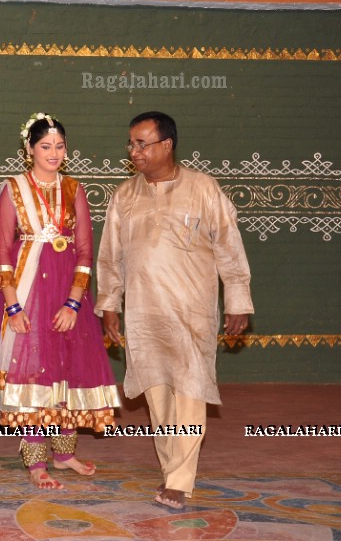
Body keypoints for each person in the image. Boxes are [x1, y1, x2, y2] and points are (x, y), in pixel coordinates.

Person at [97, 111, 253, 510]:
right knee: (158, 398)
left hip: (190, 314)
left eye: (141, 143)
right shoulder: (125, 196)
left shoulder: (203, 188)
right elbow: (110, 259)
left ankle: (181, 480)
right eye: (131, 144)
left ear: (167, 145)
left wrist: (237, 299)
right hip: (144, 316)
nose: (134, 151)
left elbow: (229, 247)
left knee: (189, 393)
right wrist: (109, 306)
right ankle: (172, 471)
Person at [0, 113, 120, 489]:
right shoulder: (13, 189)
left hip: (68, 292)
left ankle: (64, 455)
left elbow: (84, 249)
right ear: (29, 149)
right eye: (45, 146)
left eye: (59, 146)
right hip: (28, 290)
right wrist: (13, 306)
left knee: (69, 368)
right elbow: (1, 250)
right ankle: (36, 461)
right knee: (34, 370)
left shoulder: (74, 189)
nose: (53, 153)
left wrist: (74, 303)